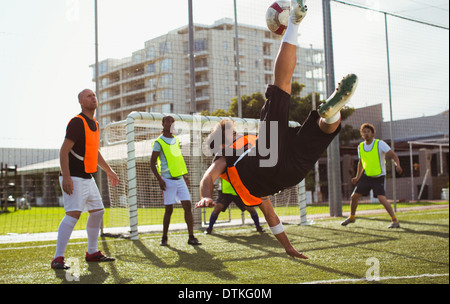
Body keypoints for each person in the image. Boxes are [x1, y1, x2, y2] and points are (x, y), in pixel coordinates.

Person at [195, 0, 359, 259]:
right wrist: (205, 195)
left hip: (287, 175)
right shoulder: (225, 157)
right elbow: (207, 178)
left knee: (320, 130)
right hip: (267, 157)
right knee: (282, 86)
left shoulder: (243, 171)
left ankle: (332, 112)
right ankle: (294, 23)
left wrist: (288, 247)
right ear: (222, 142)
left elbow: (271, 216)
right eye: (230, 131)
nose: (235, 132)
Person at [52, 89, 120, 270]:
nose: (93, 98)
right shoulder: (76, 122)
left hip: (87, 177)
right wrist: (66, 176)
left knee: (97, 211)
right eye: (88, 96)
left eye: (94, 95)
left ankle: (92, 252)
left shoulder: (95, 124)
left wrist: (109, 171)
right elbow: (64, 150)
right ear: (81, 102)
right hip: (73, 176)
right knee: (73, 215)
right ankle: (58, 258)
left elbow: (94, 153)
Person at [150, 115, 201, 246]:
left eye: (173, 122)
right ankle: (164, 238)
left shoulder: (177, 140)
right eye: (168, 121)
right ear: (163, 124)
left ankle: (191, 237)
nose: (170, 124)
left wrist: (184, 175)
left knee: (188, 206)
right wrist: (159, 179)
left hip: (180, 179)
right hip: (167, 180)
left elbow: (178, 160)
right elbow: (152, 163)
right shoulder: (159, 142)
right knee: (169, 209)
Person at [341, 123, 403, 228]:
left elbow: (393, 155)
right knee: (354, 197)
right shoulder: (360, 147)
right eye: (364, 132)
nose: (366, 134)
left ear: (373, 133)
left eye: (368, 132)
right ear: (362, 134)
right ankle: (352, 217)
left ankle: (395, 221)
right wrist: (357, 177)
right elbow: (361, 163)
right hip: (367, 176)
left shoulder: (380, 144)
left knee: (381, 199)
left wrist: (398, 165)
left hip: (379, 177)